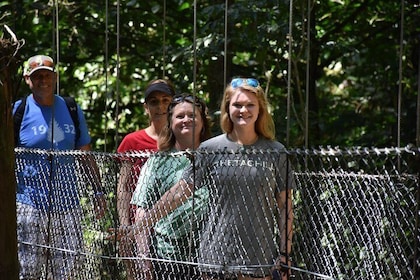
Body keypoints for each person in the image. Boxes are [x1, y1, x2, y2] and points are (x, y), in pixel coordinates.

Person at [116, 77, 295, 280]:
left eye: (249, 105)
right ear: (227, 108)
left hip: (259, 260)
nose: (243, 110)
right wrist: (138, 228)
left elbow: (285, 207)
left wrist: (284, 254)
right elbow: (178, 193)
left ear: (260, 109)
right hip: (214, 261)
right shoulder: (211, 149)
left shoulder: (275, 152)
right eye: (237, 105)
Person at [13, 54, 103, 279]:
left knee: (69, 269)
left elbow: (85, 153)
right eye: (37, 76)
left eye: (47, 75)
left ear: (55, 77)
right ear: (27, 79)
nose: (43, 80)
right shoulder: (18, 111)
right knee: (29, 269)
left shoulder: (71, 108)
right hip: (29, 206)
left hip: (68, 204)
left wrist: (98, 191)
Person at [130, 94, 211, 280]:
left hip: (210, 257)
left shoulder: (215, 158)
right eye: (180, 116)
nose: (186, 120)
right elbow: (142, 209)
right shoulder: (157, 162)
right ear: (170, 122)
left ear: (203, 121)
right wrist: (143, 256)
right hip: (167, 258)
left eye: (192, 115)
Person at [116, 79, 175, 279]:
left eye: (166, 100)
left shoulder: (183, 140)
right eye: (154, 102)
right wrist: (125, 225)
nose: (161, 106)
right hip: (137, 224)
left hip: (173, 227)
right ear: (146, 107)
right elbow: (123, 187)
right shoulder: (132, 141)